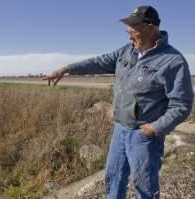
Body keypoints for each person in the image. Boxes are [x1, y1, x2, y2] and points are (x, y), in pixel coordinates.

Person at [43, 5, 194, 199]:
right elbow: (97, 62)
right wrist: (65, 69)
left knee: (145, 186)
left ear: (151, 28)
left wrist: (153, 129)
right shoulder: (126, 52)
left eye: (133, 27)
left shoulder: (173, 61)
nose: (128, 32)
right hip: (120, 130)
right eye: (128, 27)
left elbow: (182, 104)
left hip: (145, 136)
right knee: (113, 178)